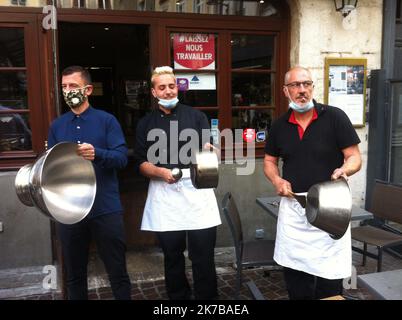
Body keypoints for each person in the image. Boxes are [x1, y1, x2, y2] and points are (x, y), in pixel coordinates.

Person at [263, 66, 362, 300]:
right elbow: (269, 161)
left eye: (306, 84)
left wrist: (345, 169)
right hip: (294, 209)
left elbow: (355, 157)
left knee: (330, 283)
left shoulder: (335, 117)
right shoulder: (279, 125)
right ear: (285, 91)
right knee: (296, 281)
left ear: (312, 87)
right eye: (295, 85)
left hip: (331, 210)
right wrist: (277, 179)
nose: (302, 90)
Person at [134, 66, 221, 300]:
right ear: (154, 92)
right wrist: (160, 172)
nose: (168, 91)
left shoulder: (196, 116)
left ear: (177, 87)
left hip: (197, 190)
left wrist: (209, 152)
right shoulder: (145, 124)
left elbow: (207, 149)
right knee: (172, 255)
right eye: (161, 87)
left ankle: (207, 301)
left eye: (171, 86)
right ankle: (179, 300)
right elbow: (140, 163)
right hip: (164, 193)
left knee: (203, 255)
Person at [48, 65, 131, 300]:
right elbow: (51, 167)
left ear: (88, 90)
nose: (67, 91)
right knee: (74, 274)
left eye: (73, 86)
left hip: (105, 207)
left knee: (117, 271)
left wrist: (98, 154)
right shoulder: (56, 126)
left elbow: (122, 158)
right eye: (64, 87)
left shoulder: (107, 121)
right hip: (70, 211)